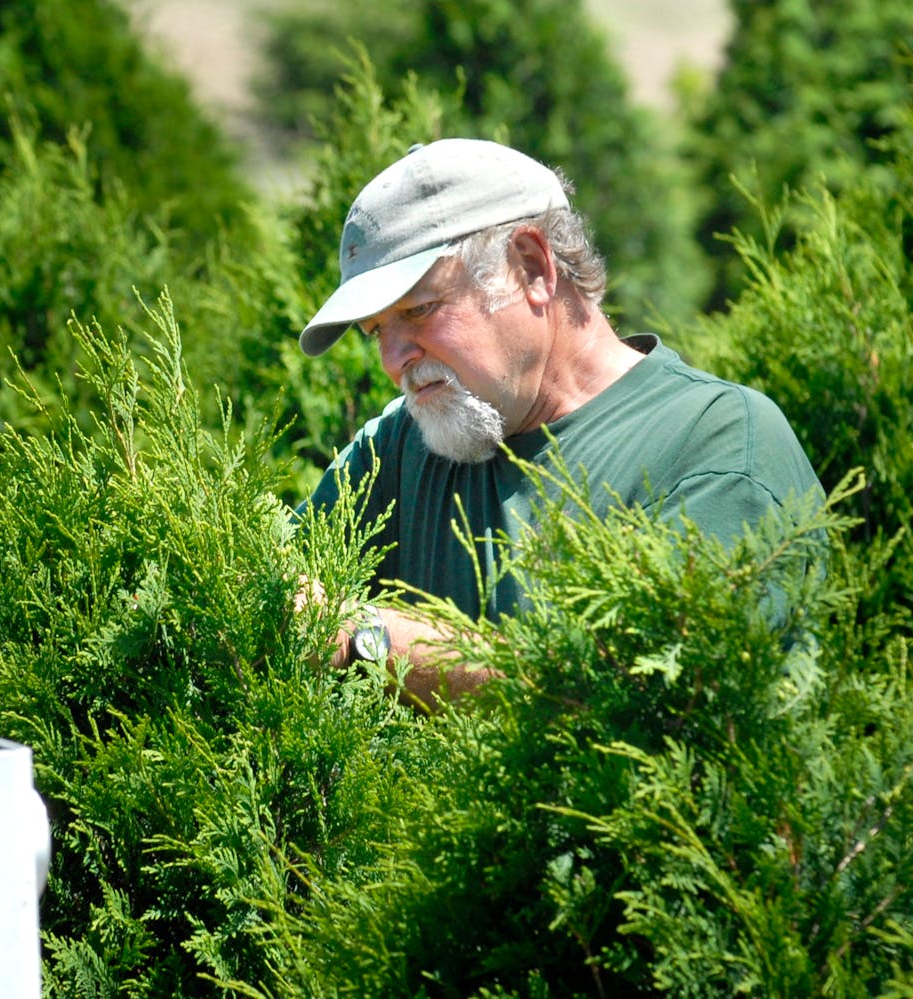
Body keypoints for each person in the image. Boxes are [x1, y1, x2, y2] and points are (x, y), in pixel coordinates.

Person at [298, 138, 823, 710]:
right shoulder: (403, 444)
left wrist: (371, 641)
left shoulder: (716, 444)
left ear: (532, 266)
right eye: (376, 330)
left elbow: (639, 702)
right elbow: (261, 578)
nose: (393, 358)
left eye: (420, 309)